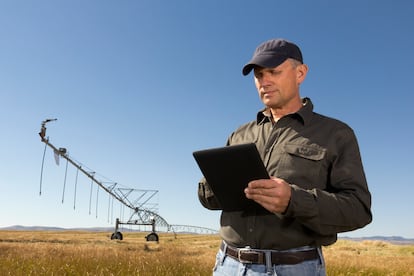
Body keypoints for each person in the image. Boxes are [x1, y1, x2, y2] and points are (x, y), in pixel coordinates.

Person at [198, 38, 372, 275]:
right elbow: (208, 199)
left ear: (300, 73)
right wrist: (214, 184)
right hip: (228, 265)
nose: (264, 81)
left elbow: (359, 209)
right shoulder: (239, 134)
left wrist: (293, 200)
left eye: (274, 72)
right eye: (259, 75)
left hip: (295, 268)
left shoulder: (336, 134)